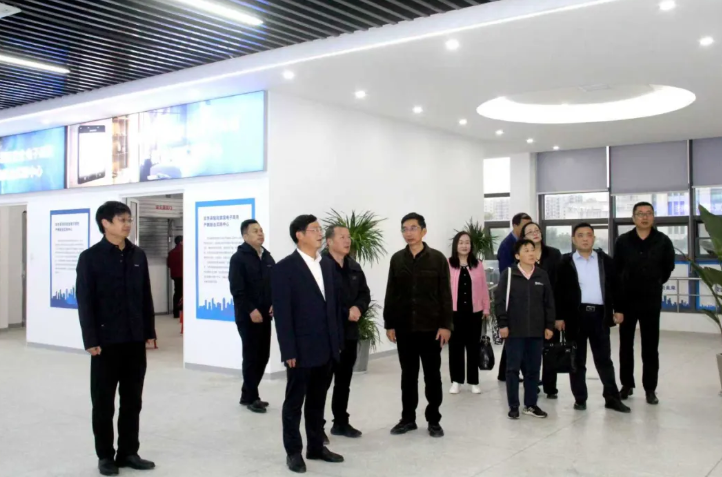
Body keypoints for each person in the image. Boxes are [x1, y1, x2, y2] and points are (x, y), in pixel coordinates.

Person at [76, 201, 156, 476]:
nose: (127, 224)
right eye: (122, 220)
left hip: (134, 341)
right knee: (103, 403)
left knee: (132, 400)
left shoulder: (137, 255)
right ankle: (105, 456)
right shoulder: (90, 258)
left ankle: (128, 452)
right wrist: (90, 339)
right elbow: (85, 301)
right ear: (105, 223)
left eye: (129, 220)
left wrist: (149, 332)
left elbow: (145, 295)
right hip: (105, 343)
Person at [272, 215, 345, 473]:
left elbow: (333, 307)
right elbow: (282, 314)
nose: (319, 233)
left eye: (320, 229)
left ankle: (315, 446)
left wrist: (336, 342)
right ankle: (293, 452)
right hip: (300, 350)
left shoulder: (326, 265)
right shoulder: (284, 269)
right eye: (314, 229)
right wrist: (288, 350)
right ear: (299, 235)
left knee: (317, 401)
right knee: (294, 403)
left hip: (326, 348)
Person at [384, 212, 452, 438]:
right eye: (404, 229)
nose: (408, 233)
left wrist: (446, 325)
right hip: (405, 328)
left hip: (431, 328)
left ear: (424, 230)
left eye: (413, 228)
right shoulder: (397, 259)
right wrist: (390, 323)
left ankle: (434, 420)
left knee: (432, 376)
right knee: (408, 376)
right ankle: (408, 419)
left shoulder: (437, 259)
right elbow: (391, 293)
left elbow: (445, 295)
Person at [555, 223, 630, 413]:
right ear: (573, 239)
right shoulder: (565, 262)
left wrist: (619, 309)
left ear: (594, 238)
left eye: (589, 235)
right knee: (577, 360)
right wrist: (558, 317)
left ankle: (612, 398)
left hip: (599, 315)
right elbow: (558, 292)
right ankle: (580, 398)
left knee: (604, 360)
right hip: (575, 316)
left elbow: (617, 286)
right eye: (580, 235)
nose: (585, 239)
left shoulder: (605, 261)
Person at [614, 202, 675, 405]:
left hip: (651, 300)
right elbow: (617, 270)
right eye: (640, 214)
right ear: (633, 218)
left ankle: (650, 388)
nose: (644, 217)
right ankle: (626, 384)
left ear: (653, 217)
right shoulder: (623, 241)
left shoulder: (663, 241)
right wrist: (618, 305)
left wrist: (655, 281)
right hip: (627, 300)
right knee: (626, 345)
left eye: (648, 213)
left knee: (650, 346)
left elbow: (668, 267)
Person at [494, 238, 555, 420]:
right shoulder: (509, 274)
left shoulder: (542, 275)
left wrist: (549, 325)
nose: (531, 253)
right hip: (514, 331)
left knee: (533, 370)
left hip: (536, 331)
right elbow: (500, 301)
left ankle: (531, 404)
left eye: (532, 250)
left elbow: (549, 302)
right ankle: (513, 405)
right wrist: (503, 324)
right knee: (512, 369)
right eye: (526, 250)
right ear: (517, 255)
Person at [322, 225, 371, 439]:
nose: (347, 240)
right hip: (327, 335)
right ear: (329, 241)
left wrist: (358, 308)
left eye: (348, 237)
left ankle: (341, 422)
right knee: (321, 383)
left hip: (349, 333)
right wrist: (345, 312)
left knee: (344, 381)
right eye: (342, 237)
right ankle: (316, 427)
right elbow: (321, 300)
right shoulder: (320, 266)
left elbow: (364, 293)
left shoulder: (353, 266)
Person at [229, 219, 275, 414]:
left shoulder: (267, 257)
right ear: (245, 236)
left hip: (266, 315)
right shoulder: (238, 259)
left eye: (261, 230)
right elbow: (237, 290)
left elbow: (275, 283)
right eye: (255, 231)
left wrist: (274, 303)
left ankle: (247, 393)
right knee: (251, 356)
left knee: (263, 355)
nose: (260, 233)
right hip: (248, 316)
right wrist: (251, 310)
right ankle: (252, 397)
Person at [519, 221, 562, 399]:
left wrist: (559, 316)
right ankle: (532, 383)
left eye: (537, 230)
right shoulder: (521, 256)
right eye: (530, 232)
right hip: (528, 312)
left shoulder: (554, 254)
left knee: (551, 350)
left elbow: (560, 285)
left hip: (550, 310)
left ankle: (550, 387)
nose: (535, 233)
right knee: (528, 352)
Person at [447, 231, 490, 395]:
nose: (464, 245)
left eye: (467, 242)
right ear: (455, 245)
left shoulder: (477, 264)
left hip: (474, 313)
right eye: (461, 242)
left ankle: (473, 381)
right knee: (455, 348)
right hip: (454, 313)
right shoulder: (448, 264)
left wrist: (486, 308)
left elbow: (484, 288)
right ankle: (456, 381)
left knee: (473, 347)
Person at [496, 212, 532, 382]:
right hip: (512, 296)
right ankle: (513, 372)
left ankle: (505, 372)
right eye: (524, 226)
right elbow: (506, 272)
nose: (527, 229)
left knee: (513, 338)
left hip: (524, 296)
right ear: (515, 226)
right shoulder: (507, 245)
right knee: (513, 337)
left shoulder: (524, 244)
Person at [167, 235, 183, 319]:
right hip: (183, 275)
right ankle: (183, 311)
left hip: (175, 276)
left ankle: (176, 313)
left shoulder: (171, 252)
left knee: (177, 293)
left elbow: (169, 264)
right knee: (184, 293)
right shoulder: (185, 251)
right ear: (181, 242)